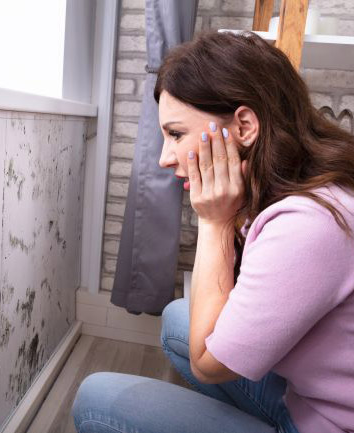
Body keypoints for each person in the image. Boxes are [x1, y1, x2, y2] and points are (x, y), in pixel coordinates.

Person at [72, 30, 354, 433]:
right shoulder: (303, 184)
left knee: (96, 399)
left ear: (244, 126)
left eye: (176, 134)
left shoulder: (309, 226)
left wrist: (214, 221)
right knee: (177, 317)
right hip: (311, 399)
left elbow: (207, 362)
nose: (166, 158)